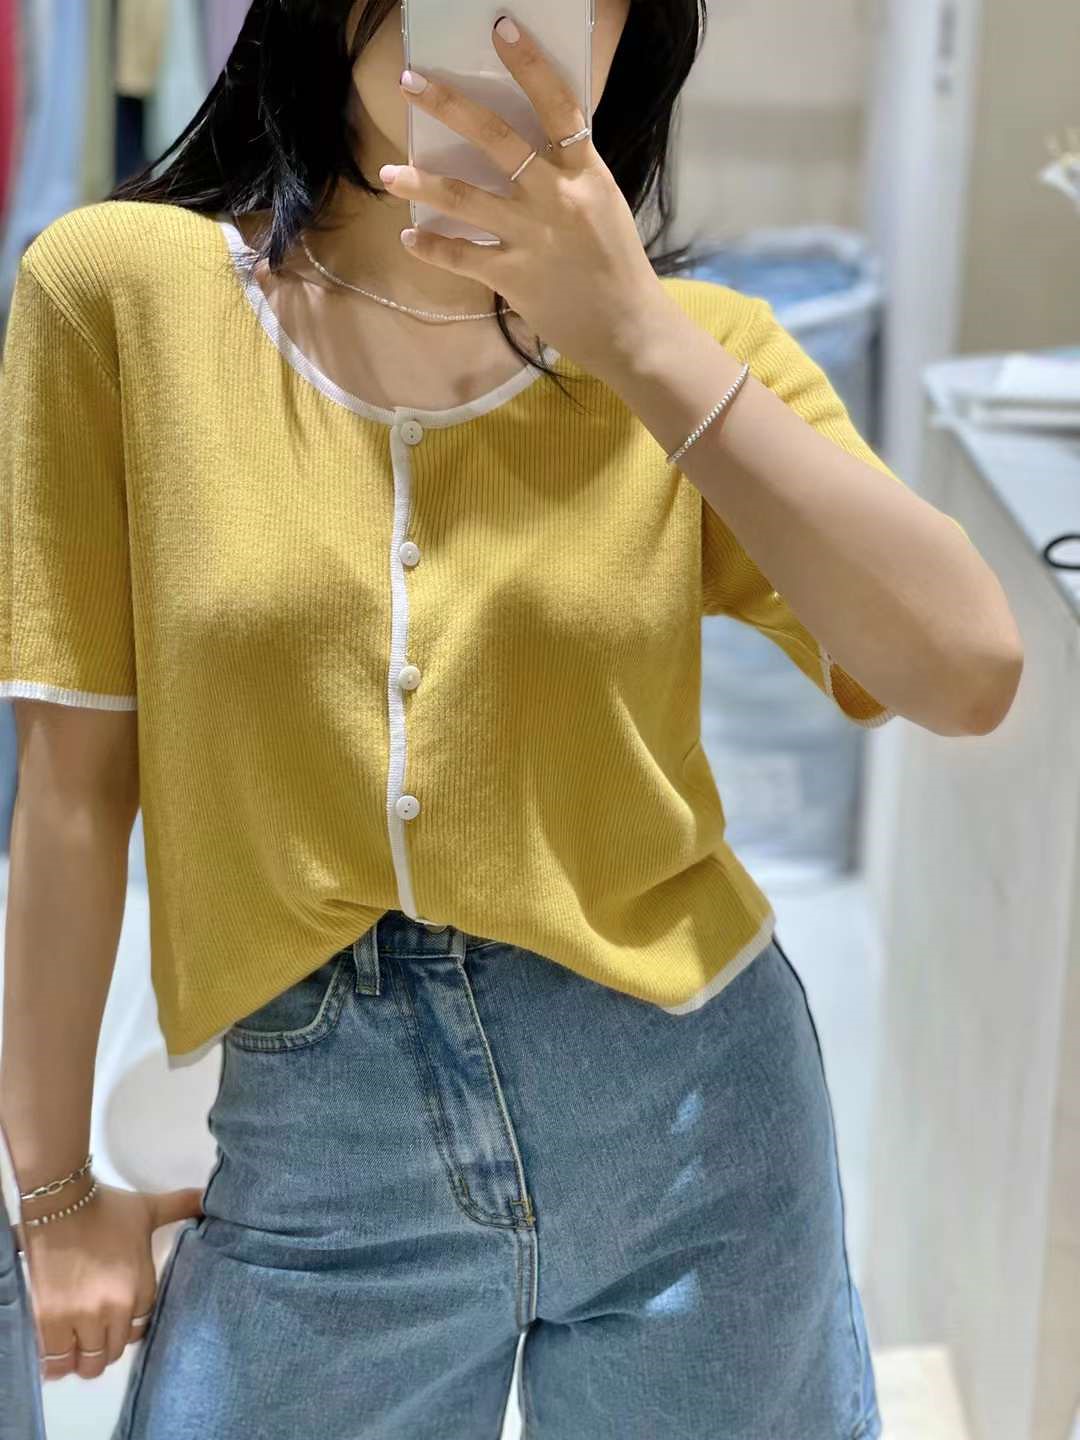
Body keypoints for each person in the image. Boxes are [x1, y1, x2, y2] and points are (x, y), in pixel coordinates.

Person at [0, 2, 1023, 1437]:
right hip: (318, 1154)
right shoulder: (120, 293)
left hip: (697, 1127)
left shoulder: (695, 350)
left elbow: (970, 670)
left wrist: (636, 337)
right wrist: (53, 1197)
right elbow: (70, 791)